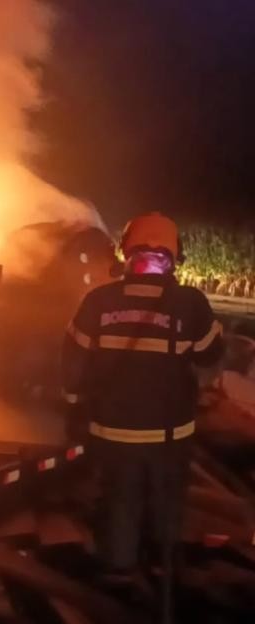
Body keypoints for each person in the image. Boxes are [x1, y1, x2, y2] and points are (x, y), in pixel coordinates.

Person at [61, 212, 224, 581]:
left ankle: (119, 574)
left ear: (126, 252)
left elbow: (72, 363)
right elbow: (210, 355)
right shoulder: (190, 303)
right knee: (167, 500)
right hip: (170, 435)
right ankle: (163, 566)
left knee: (120, 501)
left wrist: (73, 406)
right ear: (175, 255)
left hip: (112, 432)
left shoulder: (98, 301)